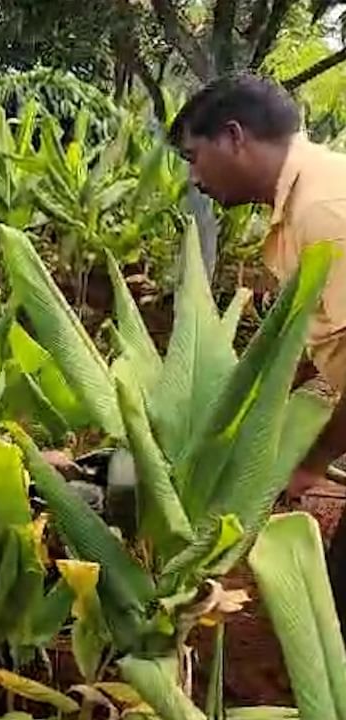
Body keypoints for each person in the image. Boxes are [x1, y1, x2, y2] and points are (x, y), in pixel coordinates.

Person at [168, 72, 346, 630]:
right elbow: (306, 332)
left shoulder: (325, 210)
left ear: (235, 136)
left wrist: (310, 462)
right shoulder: (302, 203)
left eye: (195, 157)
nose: (195, 178)